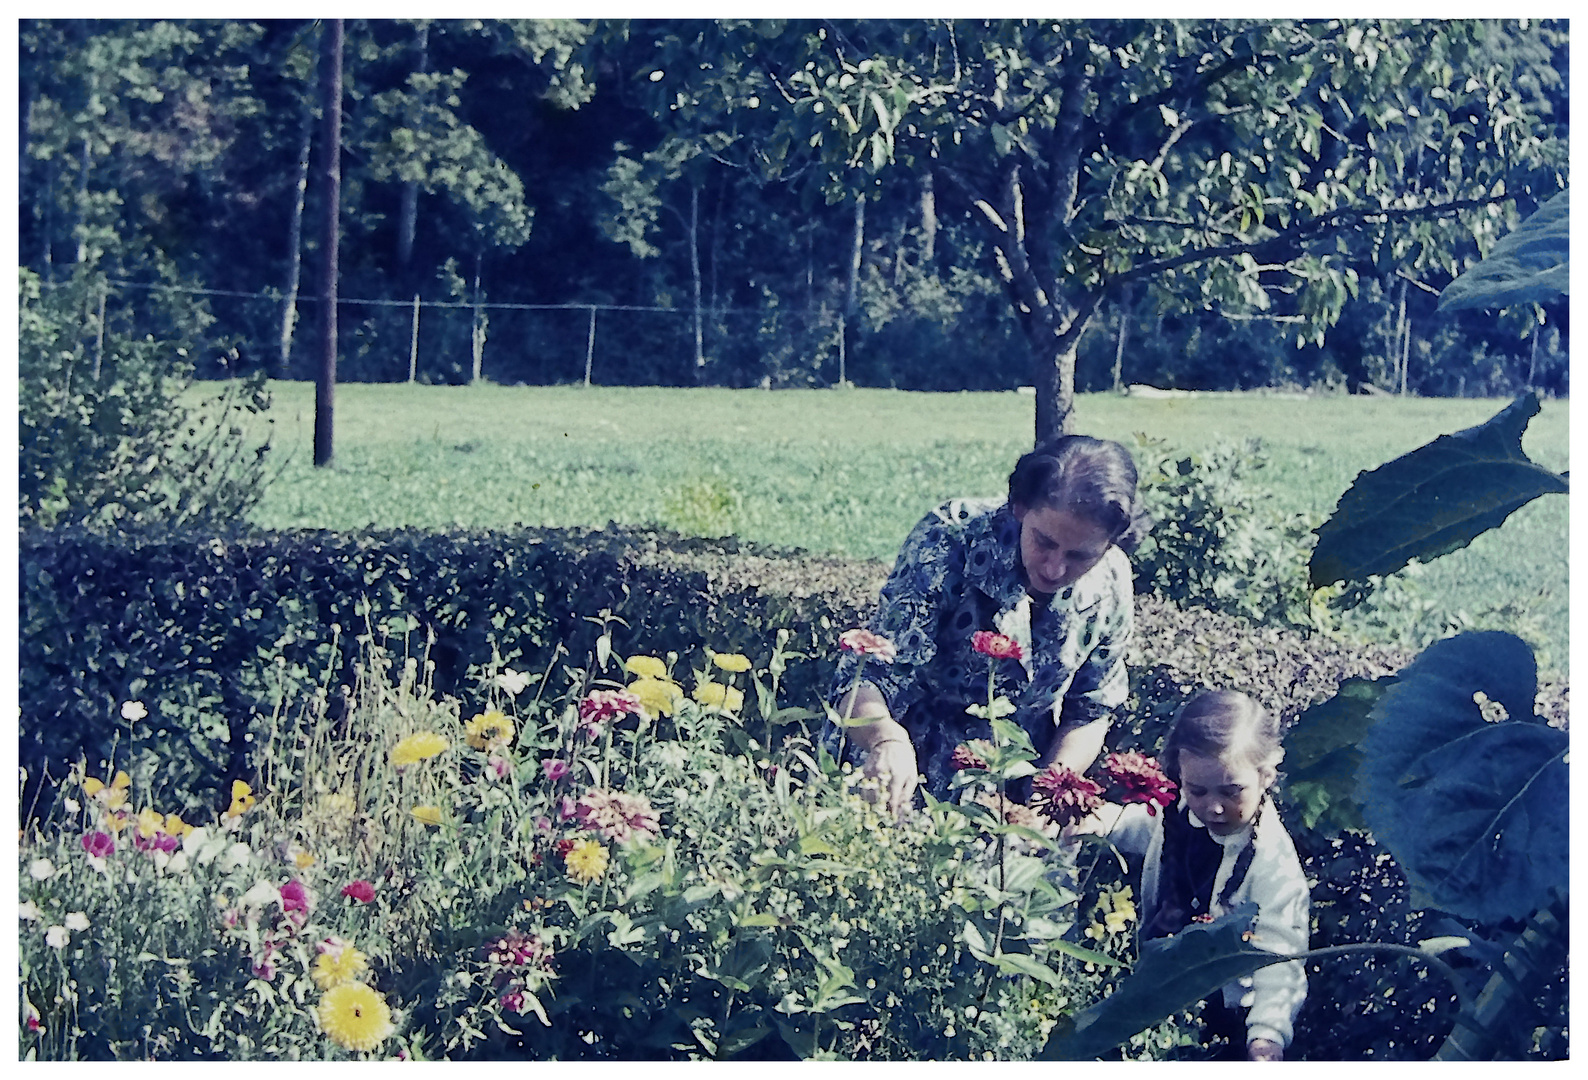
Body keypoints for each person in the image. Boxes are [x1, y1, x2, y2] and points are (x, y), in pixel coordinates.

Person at [829, 434, 1150, 818]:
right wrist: (887, 741)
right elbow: (867, 674)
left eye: (1080, 555)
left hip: (1012, 787)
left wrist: (1043, 800)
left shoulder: (1111, 581)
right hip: (903, 768)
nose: (1055, 568)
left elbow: (1092, 709)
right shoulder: (950, 539)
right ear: (1020, 507)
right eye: (1044, 542)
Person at [1083, 689, 1310, 1061]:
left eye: (1232, 791)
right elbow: (1150, 830)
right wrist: (1097, 820)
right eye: (1197, 790)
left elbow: (1280, 957)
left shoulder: (1272, 865)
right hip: (1158, 980)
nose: (1214, 807)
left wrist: (1267, 1035)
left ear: (1266, 774)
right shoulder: (1182, 812)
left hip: (1221, 1012)